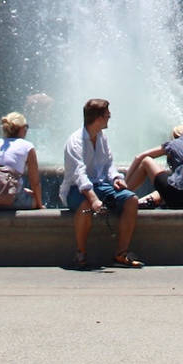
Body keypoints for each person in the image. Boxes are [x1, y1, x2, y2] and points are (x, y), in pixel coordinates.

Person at [60, 97, 141, 267]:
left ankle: (121, 253)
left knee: (131, 200)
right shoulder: (75, 141)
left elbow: (109, 164)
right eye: (107, 115)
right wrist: (94, 199)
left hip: (101, 185)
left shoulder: (102, 137)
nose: (109, 117)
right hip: (76, 189)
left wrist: (117, 178)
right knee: (85, 206)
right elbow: (79, 175)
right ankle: (80, 253)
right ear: (98, 118)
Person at [126, 124, 183, 209]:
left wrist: (125, 182)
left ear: (175, 135)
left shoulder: (173, 144)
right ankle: (143, 202)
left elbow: (139, 157)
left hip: (175, 197)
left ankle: (123, 195)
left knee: (146, 161)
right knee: (165, 187)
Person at [0, 110, 42, 212]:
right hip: (11, 200)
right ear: (22, 128)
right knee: (32, 197)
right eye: (26, 127)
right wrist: (39, 205)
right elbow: (35, 182)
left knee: (24, 191)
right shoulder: (28, 146)